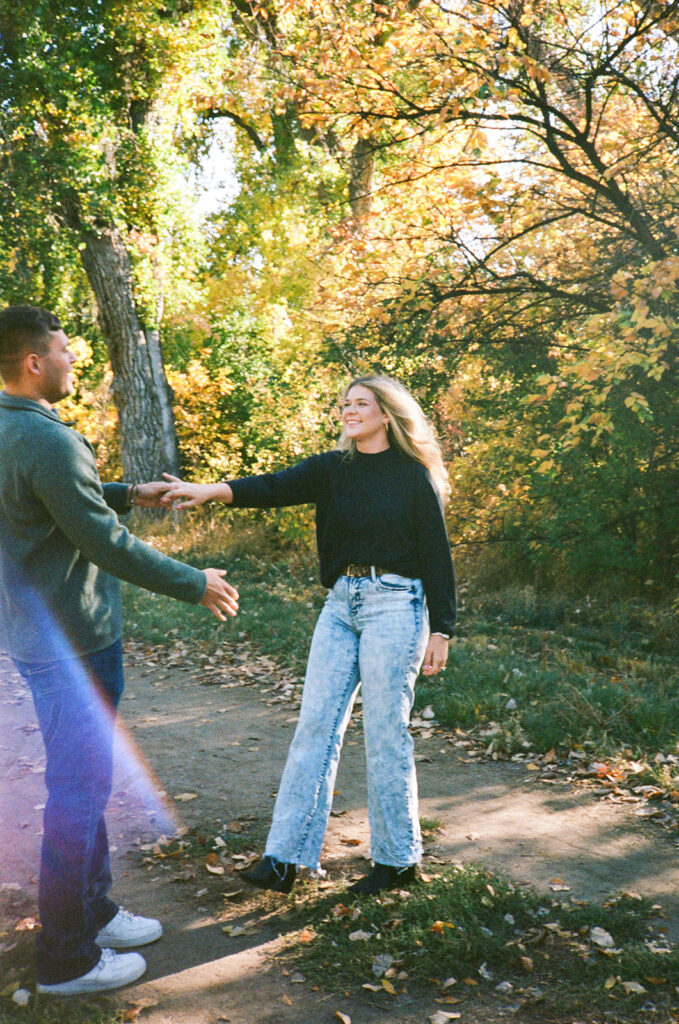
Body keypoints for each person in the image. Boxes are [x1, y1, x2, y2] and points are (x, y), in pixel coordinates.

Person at [0, 305, 239, 996]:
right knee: (77, 793)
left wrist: (125, 492)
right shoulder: (49, 438)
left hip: (35, 637)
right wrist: (194, 581)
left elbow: (44, 502)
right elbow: (102, 543)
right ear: (35, 363)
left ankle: (92, 911)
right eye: (67, 351)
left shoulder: (13, 431)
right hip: (76, 641)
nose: (77, 361)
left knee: (86, 783)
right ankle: (66, 959)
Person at [157, 374, 456, 896]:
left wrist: (443, 629)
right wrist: (209, 491)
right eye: (345, 403)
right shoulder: (331, 469)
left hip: (397, 605)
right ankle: (285, 858)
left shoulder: (412, 477)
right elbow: (271, 487)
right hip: (341, 603)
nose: (348, 410)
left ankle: (397, 860)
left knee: (386, 732)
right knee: (316, 725)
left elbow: (437, 554)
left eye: (360, 403)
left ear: (386, 414)